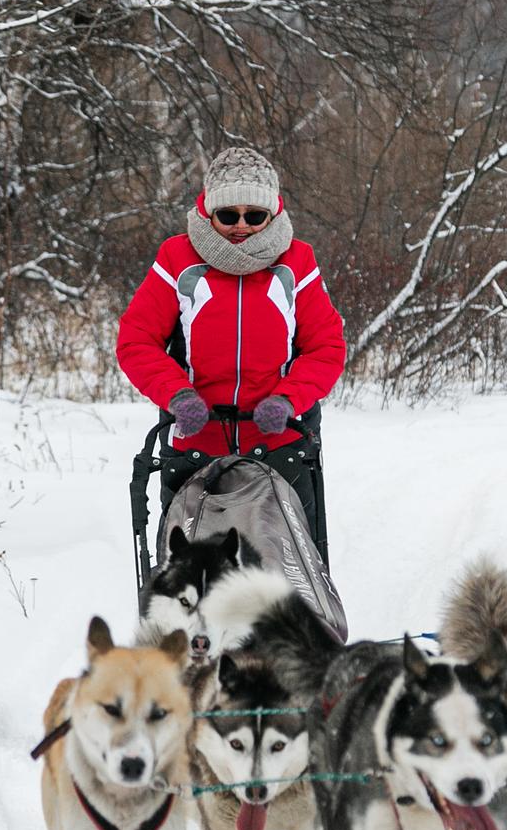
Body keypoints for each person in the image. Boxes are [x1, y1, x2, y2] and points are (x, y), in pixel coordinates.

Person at [117, 147, 346, 560]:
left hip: (279, 442)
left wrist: (288, 399)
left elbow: (326, 347)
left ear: (272, 214)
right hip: (195, 441)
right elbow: (137, 340)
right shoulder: (177, 258)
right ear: (209, 212)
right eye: (228, 215)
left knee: (282, 569)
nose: (241, 226)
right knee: (190, 573)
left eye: (254, 216)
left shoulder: (297, 262)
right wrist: (177, 395)